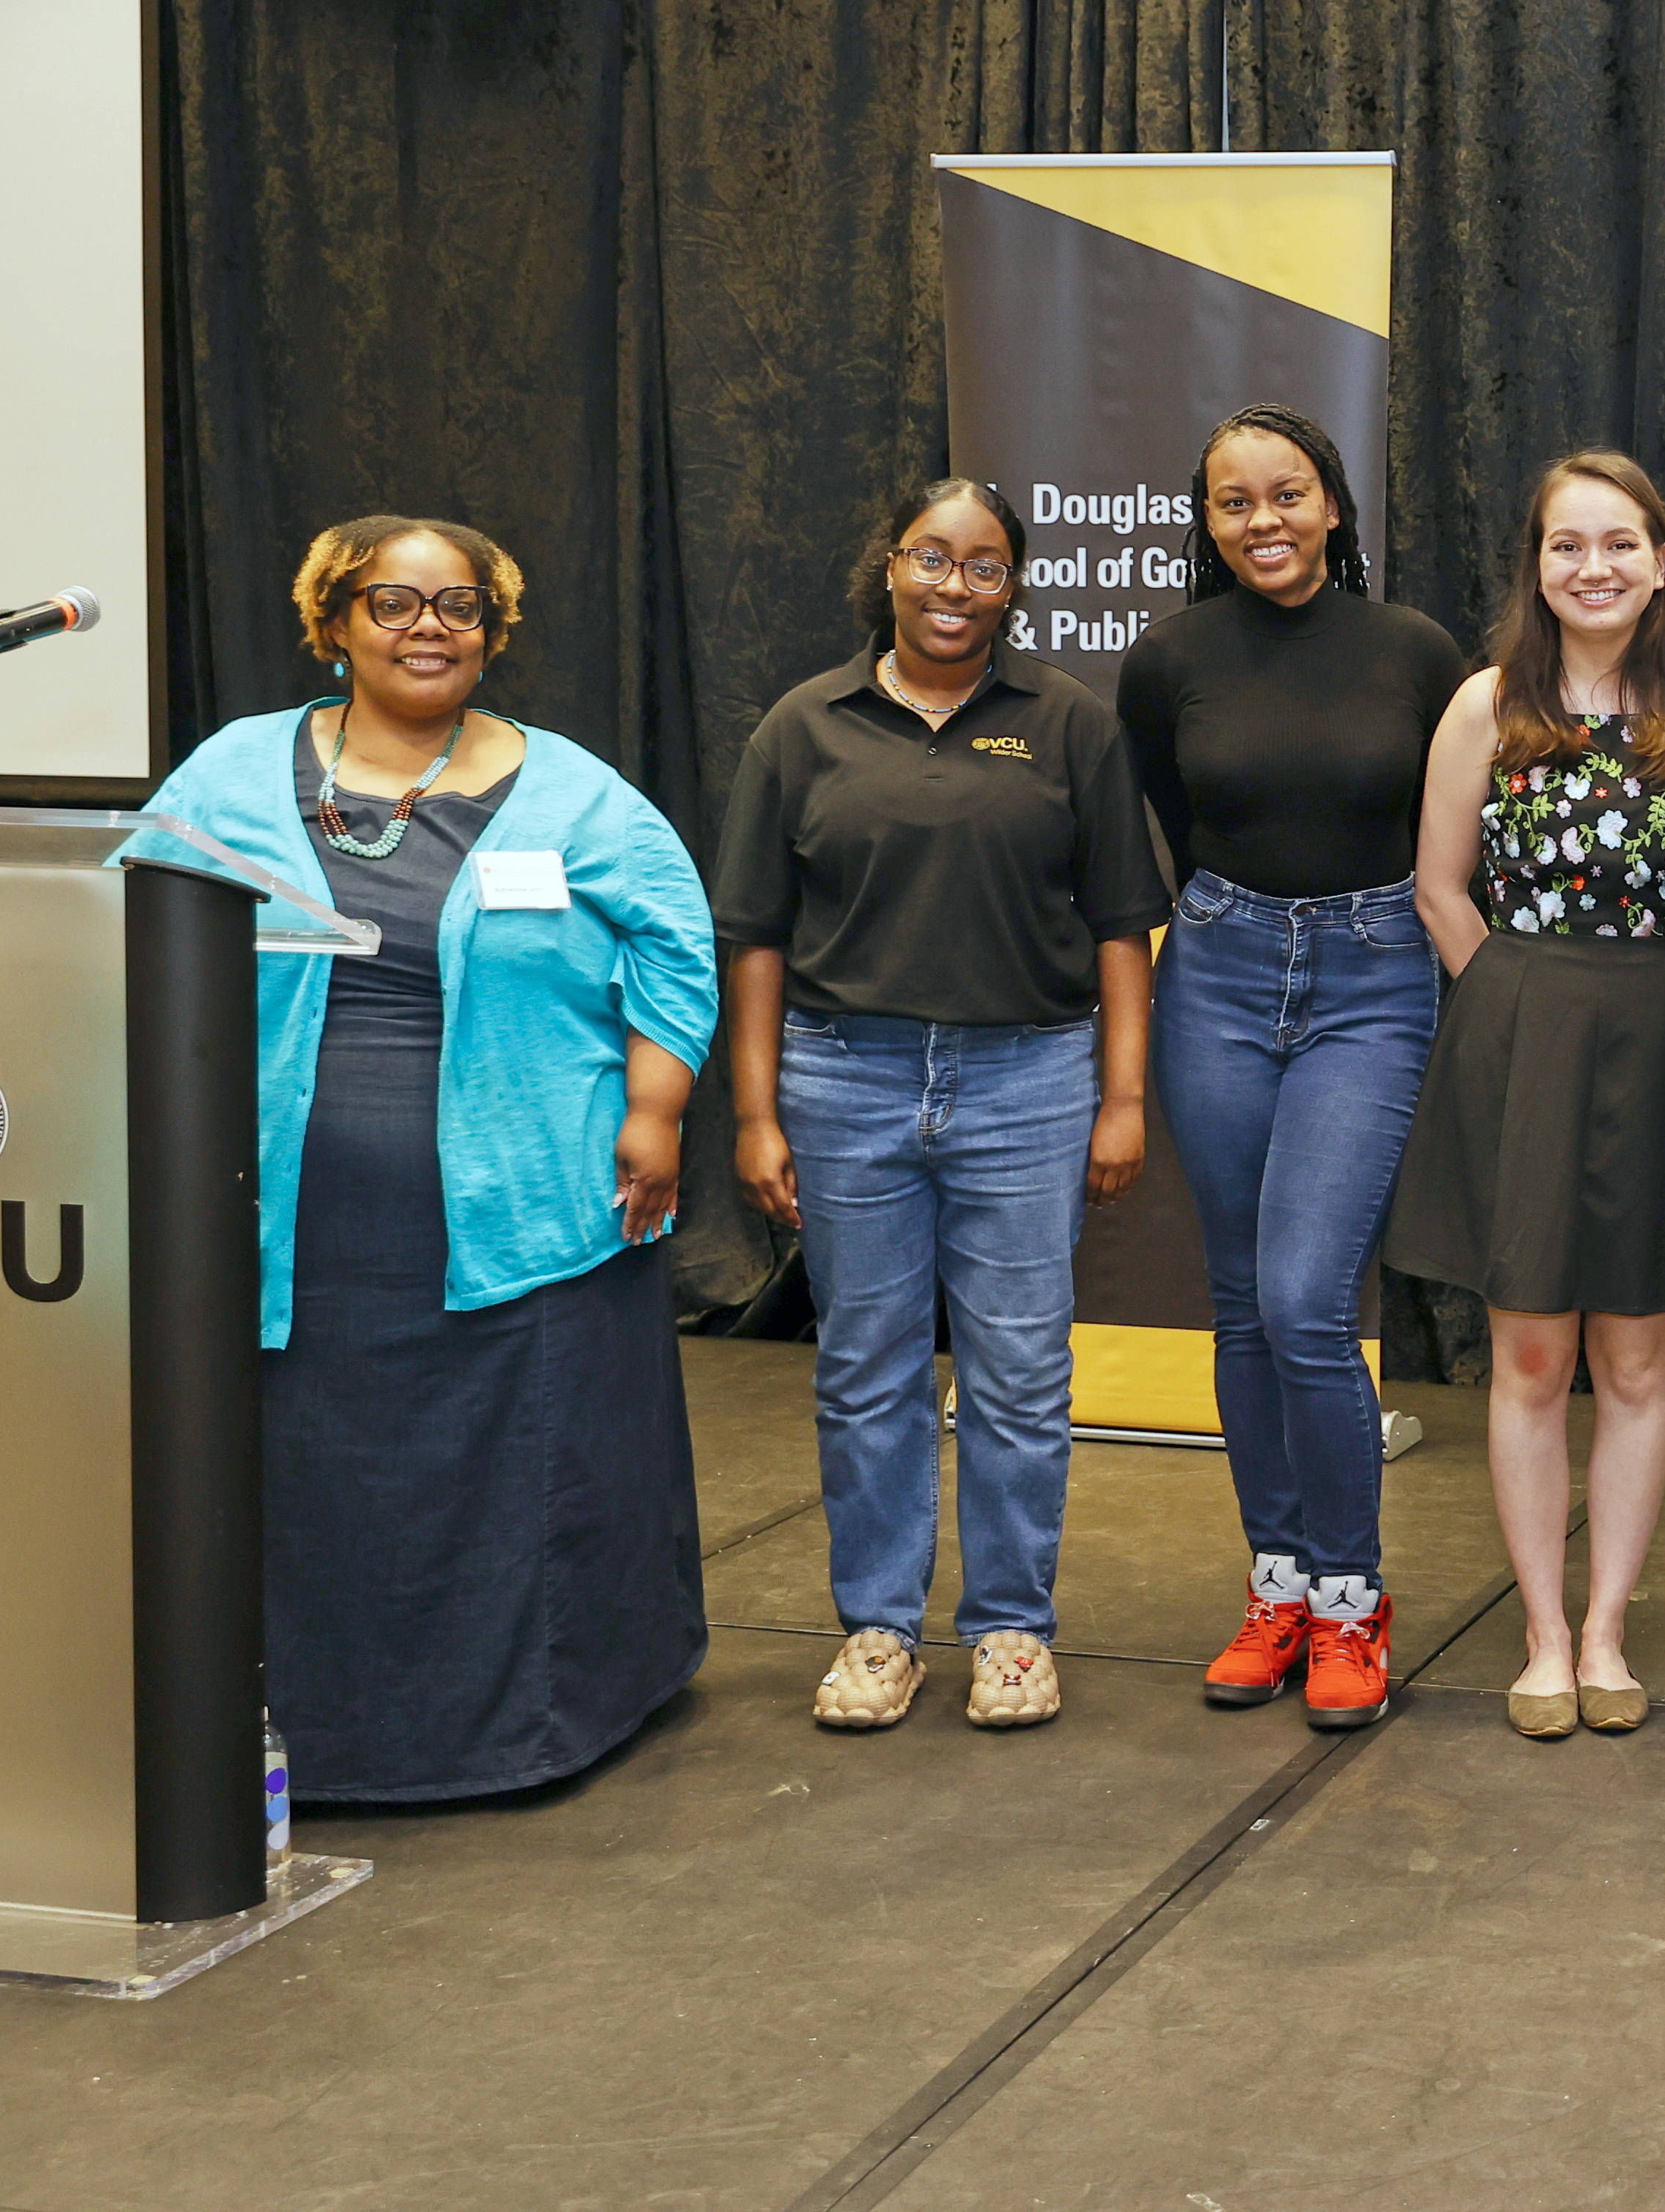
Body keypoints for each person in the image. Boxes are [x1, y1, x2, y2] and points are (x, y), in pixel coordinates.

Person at [138, 514, 716, 1801]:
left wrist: (657, 1111)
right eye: (393, 603)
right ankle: (303, 1728)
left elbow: (675, 948)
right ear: (333, 621)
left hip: (525, 1204)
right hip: (284, 1216)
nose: (428, 629)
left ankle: (533, 1721)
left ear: (494, 634)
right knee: (314, 1476)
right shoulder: (235, 771)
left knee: (517, 1470)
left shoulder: (569, 790)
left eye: (459, 607)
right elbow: (139, 925)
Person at [717, 477, 1169, 1733]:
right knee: (865, 1370)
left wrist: (1121, 1098)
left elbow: (1123, 926)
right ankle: (877, 1628)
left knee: (1020, 1373)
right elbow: (752, 936)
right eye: (932, 559)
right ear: (892, 569)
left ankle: (1013, 1631)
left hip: (1026, 1083)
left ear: (1013, 586)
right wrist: (756, 1115)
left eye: (982, 566)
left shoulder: (1069, 724)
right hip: (842, 1077)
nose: (954, 587)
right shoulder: (803, 729)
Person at [1119, 404, 1467, 1731]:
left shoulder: (1415, 652)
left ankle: (1349, 1601)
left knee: (1305, 1298)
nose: (1262, 521)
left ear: (1334, 506)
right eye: (1232, 503)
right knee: (1237, 1303)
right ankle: (1275, 1586)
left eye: (1287, 494)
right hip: (1214, 966)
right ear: (1204, 524)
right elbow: (1168, 812)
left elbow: (1459, 822)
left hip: (1374, 980)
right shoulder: (1169, 658)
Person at [1391, 452, 1665, 1741]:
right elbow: (1438, 887)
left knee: (1639, 1356)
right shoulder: (1486, 703)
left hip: (1664, 1031)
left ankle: (1607, 1635)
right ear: (1534, 564)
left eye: (1619, 543)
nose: (1593, 568)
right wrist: (1520, 1008)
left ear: (1659, 560)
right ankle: (1539, 1636)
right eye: (1565, 545)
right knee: (1530, 1351)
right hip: (1520, 1032)